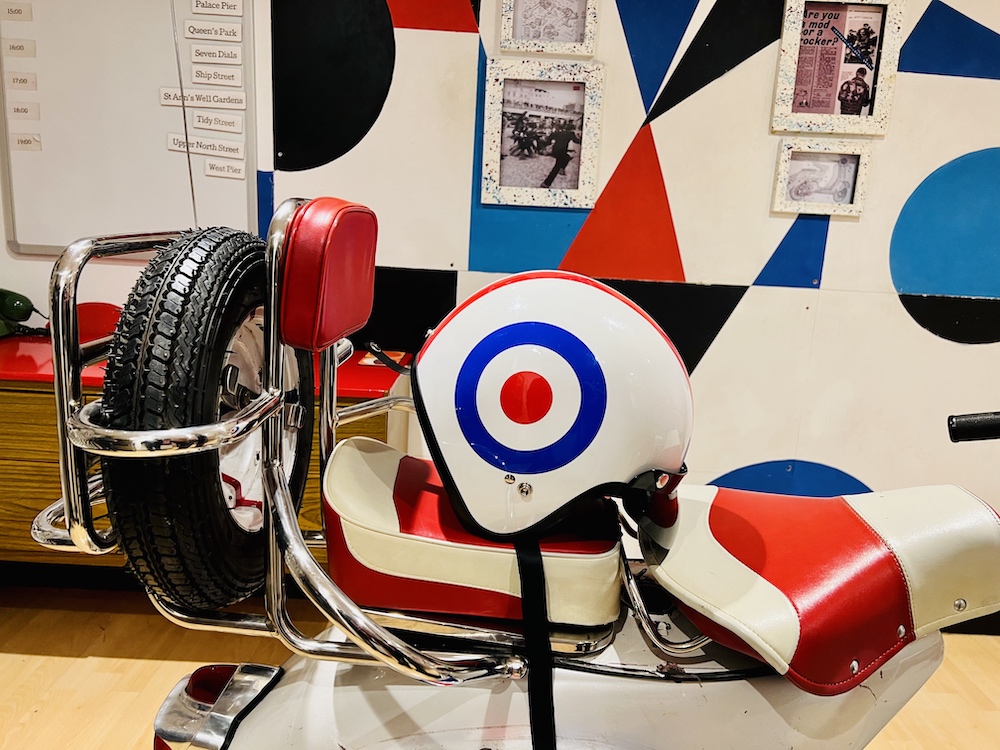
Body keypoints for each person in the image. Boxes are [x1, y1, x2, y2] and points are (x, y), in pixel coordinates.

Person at [540, 122, 582, 188]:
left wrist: (548, 143)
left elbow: (550, 137)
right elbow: (576, 141)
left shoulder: (559, 133)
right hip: (561, 152)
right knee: (556, 167)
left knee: (567, 157)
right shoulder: (570, 133)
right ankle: (546, 183)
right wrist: (581, 138)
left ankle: (562, 169)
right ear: (572, 129)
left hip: (555, 151)